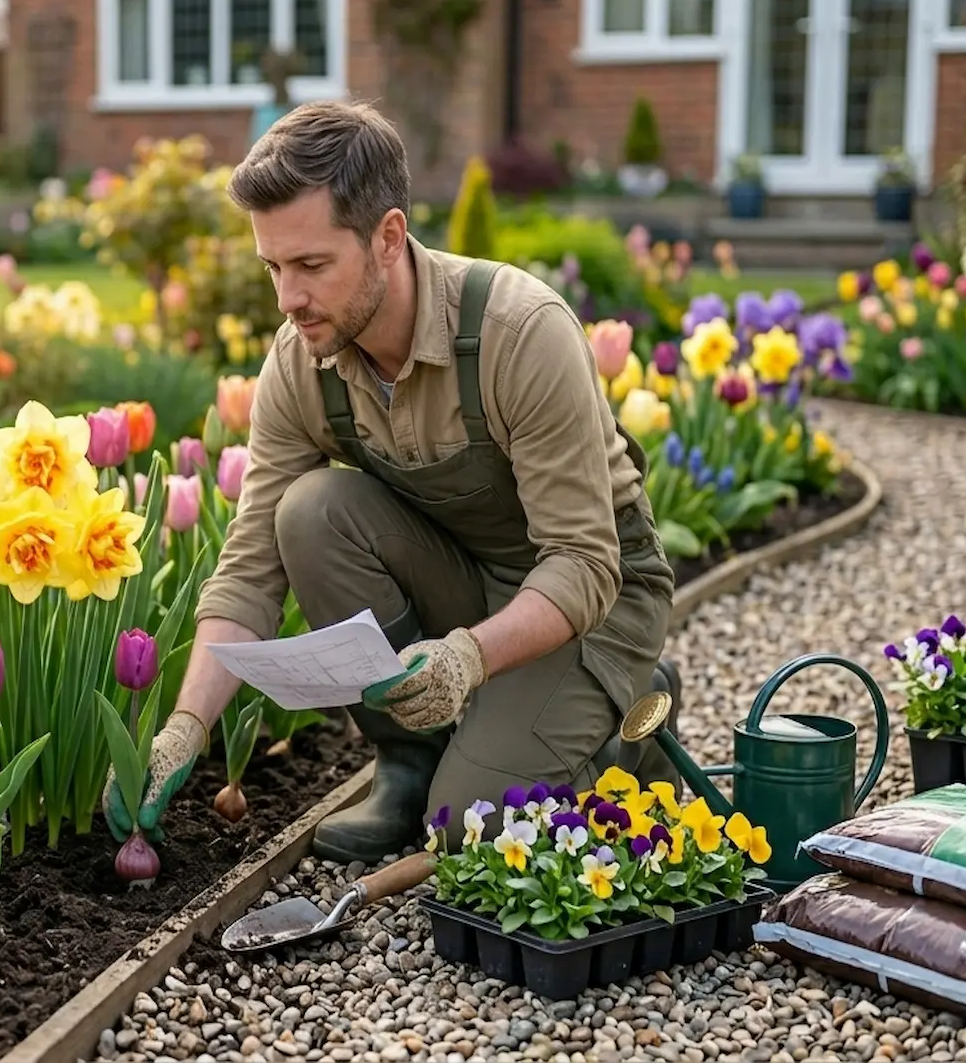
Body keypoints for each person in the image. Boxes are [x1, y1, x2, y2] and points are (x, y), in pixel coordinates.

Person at [104, 100, 681, 863]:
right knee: (311, 513)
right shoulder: (302, 358)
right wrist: (187, 727)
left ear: (388, 237)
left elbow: (583, 562)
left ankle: (626, 724)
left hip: (593, 602)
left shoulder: (517, 333)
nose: (287, 299)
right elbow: (250, 568)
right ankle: (409, 760)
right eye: (273, 267)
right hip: (466, 579)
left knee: (469, 829)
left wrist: (467, 659)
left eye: (311, 266)